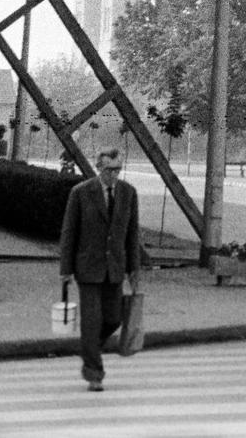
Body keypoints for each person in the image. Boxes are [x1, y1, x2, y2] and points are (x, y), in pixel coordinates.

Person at [59, 147, 141, 391]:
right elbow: (69, 232)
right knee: (92, 321)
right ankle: (94, 374)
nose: (113, 175)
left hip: (115, 268)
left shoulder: (129, 193)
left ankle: (89, 347)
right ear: (98, 168)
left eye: (117, 170)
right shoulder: (81, 193)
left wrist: (134, 268)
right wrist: (65, 269)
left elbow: (132, 233)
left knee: (114, 319)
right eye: (108, 170)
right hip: (88, 268)